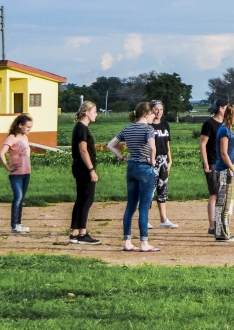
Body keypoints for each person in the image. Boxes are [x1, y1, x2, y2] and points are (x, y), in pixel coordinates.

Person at [109, 103, 158, 252]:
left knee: (130, 206)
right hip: (145, 168)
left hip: (132, 167)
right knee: (143, 207)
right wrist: (152, 161)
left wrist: (123, 158)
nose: (154, 116)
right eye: (152, 114)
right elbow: (152, 147)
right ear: (145, 113)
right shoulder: (148, 129)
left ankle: (127, 241)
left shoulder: (128, 128)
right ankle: (144, 243)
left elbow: (111, 145)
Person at [69, 102, 101, 245]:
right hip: (83, 169)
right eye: (94, 111)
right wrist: (91, 169)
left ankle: (75, 232)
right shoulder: (81, 128)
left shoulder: (80, 127)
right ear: (87, 112)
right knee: (87, 200)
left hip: (80, 168)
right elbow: (83, 150)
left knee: (81, 199)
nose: (96, 114)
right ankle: (82, 233)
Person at [213, 104, 234, 242]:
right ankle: (223, 233)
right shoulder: (224, 131)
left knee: (224, 201)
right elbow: (224, 154)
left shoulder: (225, 129)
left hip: (226, 168)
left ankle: (220, 232)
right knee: (225, 201)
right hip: (225, 170)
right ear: (233, 116)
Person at [0, 115, 33, 233]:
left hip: (26, 173)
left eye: (30, 127)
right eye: (27, 127)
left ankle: (19, 223)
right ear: (20, 125)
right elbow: (1, 153)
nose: (29, 129)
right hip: (16, 174)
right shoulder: (12, 137)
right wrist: (8, 167)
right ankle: (14, 225)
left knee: (21, 198)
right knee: (18, 197)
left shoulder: (25, 138)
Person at [148, 101, 178, 229]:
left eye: (160, 109)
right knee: (150, 189)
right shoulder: (148, 125)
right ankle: (145, 219)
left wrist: (170, 161)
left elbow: (167, 144)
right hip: (152, 160)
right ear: (150, 110)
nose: (158, 112)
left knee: (163, 189)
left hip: (164, 159)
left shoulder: (165, 124)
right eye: (155, 109)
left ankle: (163, 219)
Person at [197, 100, 225, 236]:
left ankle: (220, 224)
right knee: (214, 194)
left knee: (222, 195)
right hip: (213, 162)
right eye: (226, 107)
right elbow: (202, 144)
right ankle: (212, 226)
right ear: (220, 108)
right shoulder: (209, 124)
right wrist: (206, 163)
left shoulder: (225, 124)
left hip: (222, 162)